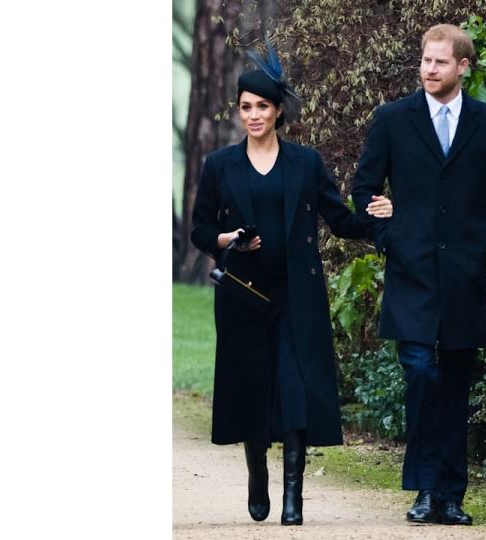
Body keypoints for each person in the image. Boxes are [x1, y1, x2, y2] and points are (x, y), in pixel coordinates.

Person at [189, 47, 392, 526]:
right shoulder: (220, 165)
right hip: (242, 296)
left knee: (294, 387)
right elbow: (199, 230)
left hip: (295, 297)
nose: (253, 115)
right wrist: (229, 239)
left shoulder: (305, 162)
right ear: (238, 110)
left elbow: (338, 220)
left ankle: (292, 497)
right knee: (253, 389)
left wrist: (375, 218)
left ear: (278, 109)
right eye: (245, 106)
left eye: (262, 106)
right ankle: (257, 474)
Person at [351, 23, 486, 526]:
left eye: (441, 62)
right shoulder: (392, 119)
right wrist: (386, 236)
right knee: (422, 372)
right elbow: (364, 189)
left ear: (463, 66)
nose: (429, 69)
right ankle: (426, 488)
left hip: (466, 278)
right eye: (426, 60)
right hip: (412, 276)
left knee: (455, 384)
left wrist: (484, 249)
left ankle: (451, 496)